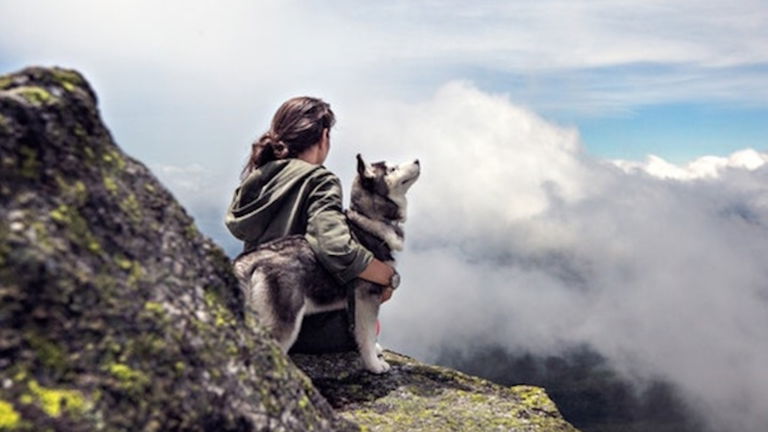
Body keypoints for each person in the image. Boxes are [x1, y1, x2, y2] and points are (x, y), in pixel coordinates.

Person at [225, 96, 397, 352]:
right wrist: (387, 276)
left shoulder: (257, 179)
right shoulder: (320, 180)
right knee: (369, 323)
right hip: (304, 328)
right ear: (324, 136)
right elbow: (335, 247)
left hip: (257, 316)